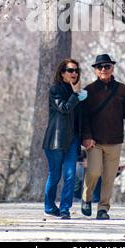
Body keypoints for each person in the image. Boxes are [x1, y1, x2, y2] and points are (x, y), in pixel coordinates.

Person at [81, 54, 125, 220]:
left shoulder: (122, 90)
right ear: (95, 71)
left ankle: (103, 209)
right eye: (100, 67)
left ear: (112, 67)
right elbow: (84, 117)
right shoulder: (88, 90)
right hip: (94, 142)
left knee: (109, 178)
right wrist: (86, 137)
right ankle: (86, 197)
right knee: (93, 172)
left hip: (115, 141)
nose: (104, 69)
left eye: (107, 66)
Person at [42, 58, 87, 219]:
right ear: (62, 74)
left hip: (73, 140)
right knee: (55, 176)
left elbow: (81, 117)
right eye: (70, 70)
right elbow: (65, 108)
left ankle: (64, 209)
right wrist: (75, 94)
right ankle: (49, 206)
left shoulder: (79, 93)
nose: (74, 73)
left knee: (70, 175)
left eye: (76, 70)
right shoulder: (55, 90)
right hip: (56, 140)